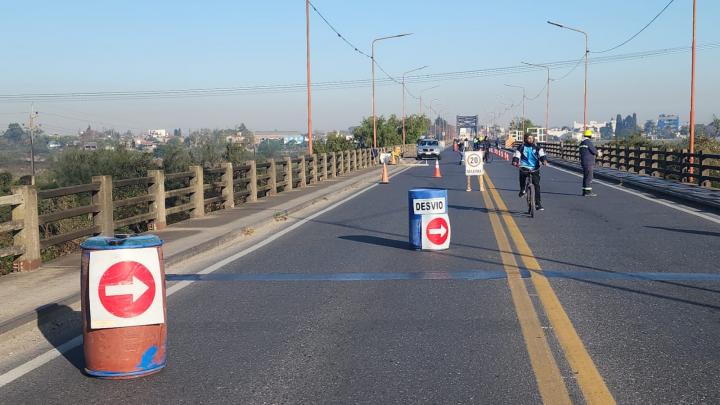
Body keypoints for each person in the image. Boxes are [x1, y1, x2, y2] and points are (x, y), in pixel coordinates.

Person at [512, 134, 547, 210]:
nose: (530, 140)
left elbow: (542, 155)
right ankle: (522, 190)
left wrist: (544, 160)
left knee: (537, 185)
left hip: (535, 167)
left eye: (532, 138)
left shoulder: (537, 147)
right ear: (525, 139)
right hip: (524, 166)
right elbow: (517, 155)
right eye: (529, 138)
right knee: (522, 175)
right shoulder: (522, 147)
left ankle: (538, 203)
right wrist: (515, 161)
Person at [579, 129, 598, 197]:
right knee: (589, 177)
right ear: (590, 136)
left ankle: (584, 191)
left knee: (585, 177)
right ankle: (588, 192)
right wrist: (599, 153)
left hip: (583, 161)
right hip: (589, 162)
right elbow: (594, 151)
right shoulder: (588, 142)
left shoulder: (582, 143)